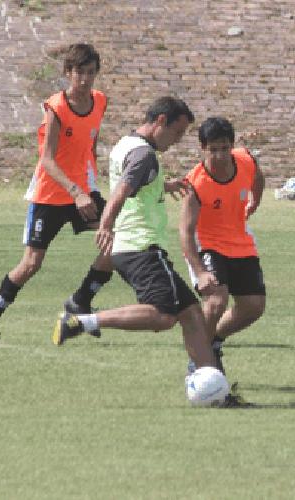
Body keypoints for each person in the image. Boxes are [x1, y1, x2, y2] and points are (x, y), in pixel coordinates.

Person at [52, 96, 221, 389]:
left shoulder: (125, 145)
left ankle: (212, 386)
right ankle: (82, 321)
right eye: (177, 132)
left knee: (191, 314)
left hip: (132, 246)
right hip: (141, 246)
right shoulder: (144, 155)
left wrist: (161, 185)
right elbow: (121, 192)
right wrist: (105, 225)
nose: (177, 140)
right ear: (160, 122)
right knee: (164, 315)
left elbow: (134, 183)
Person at [0, 43, 117, 346]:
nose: (85, 79)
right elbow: (47, 159)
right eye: (79, 72)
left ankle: (80, 301)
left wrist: (90, 184)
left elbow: (88, 145)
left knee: (116, 240)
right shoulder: (57, 107)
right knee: (31, 264)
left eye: (91, 73)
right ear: (68, 72)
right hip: (50, 196)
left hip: (82, 193)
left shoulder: (100, 102)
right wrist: (76, 191)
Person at [178, 117, 266, 406]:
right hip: (207, 245)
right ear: (202, 148)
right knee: (216, 301)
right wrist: (201, 272)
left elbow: (259, 178)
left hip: (240, 242)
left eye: (224, 148)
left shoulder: (245, 161)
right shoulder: (196, 183)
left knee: (254, 306)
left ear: (233, 146)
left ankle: (211, 341)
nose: (219, 155)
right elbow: (186, 234)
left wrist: (254, 201)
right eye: (212, 149)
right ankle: (199, 364)